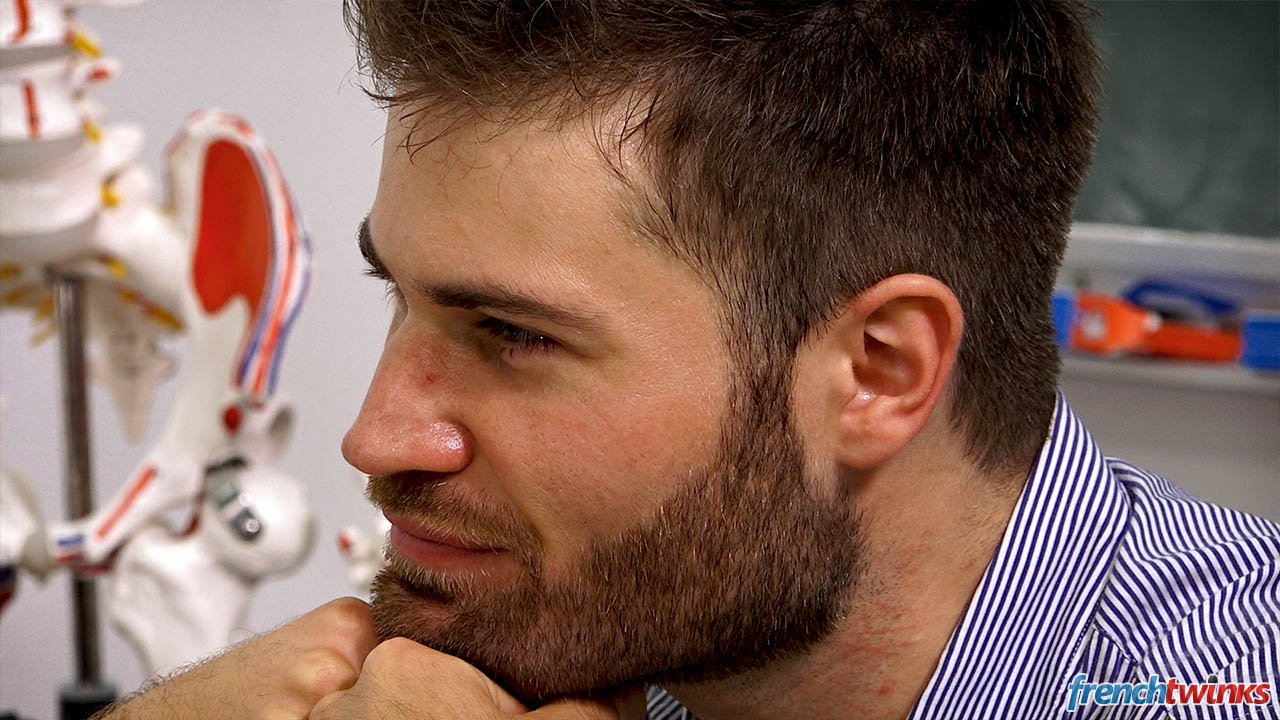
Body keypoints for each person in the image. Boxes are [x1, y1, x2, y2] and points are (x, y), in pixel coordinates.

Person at [97, 2, 1280, 719]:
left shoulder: (1221, 677)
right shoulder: (604, 627)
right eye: (393, 294)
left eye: (512, 334)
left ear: (875, 372)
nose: (375, 438)